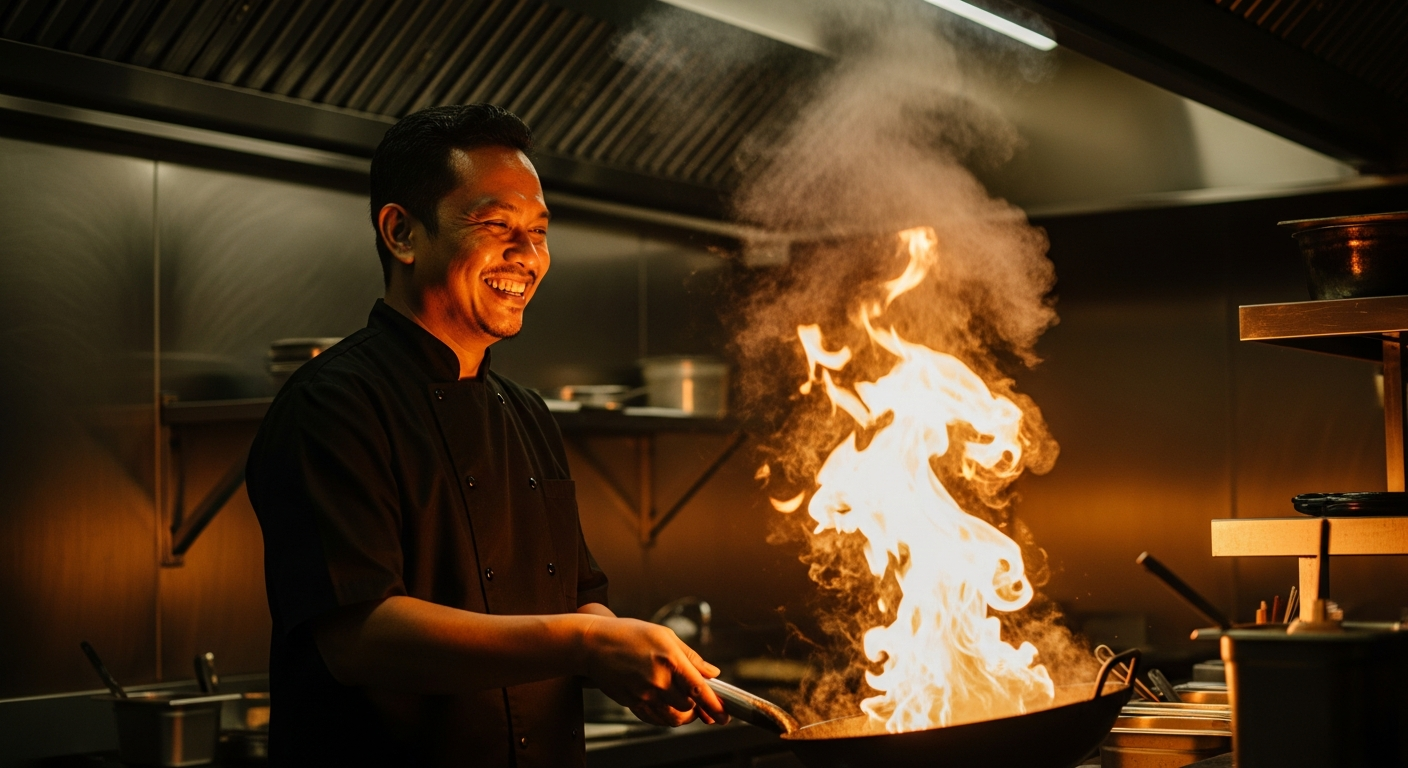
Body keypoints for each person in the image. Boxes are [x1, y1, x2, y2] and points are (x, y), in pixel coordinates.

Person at [246, 104, 727, 767]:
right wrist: (587, 646)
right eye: (497, 226)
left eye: (538, 231)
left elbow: (578, 594)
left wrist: (624, 653)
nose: (529, 257)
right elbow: (361, 635)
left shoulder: (527, 413)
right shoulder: (331, 404)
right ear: (402, 232)